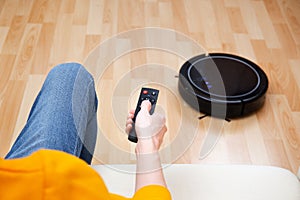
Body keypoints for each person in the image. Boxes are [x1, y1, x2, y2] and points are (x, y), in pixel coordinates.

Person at [0, 63, 171, 200]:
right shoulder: (48, 183)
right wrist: (148, 142)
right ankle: (78, 170)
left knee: (69, 74)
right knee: (71, 76)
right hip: (34, 186)